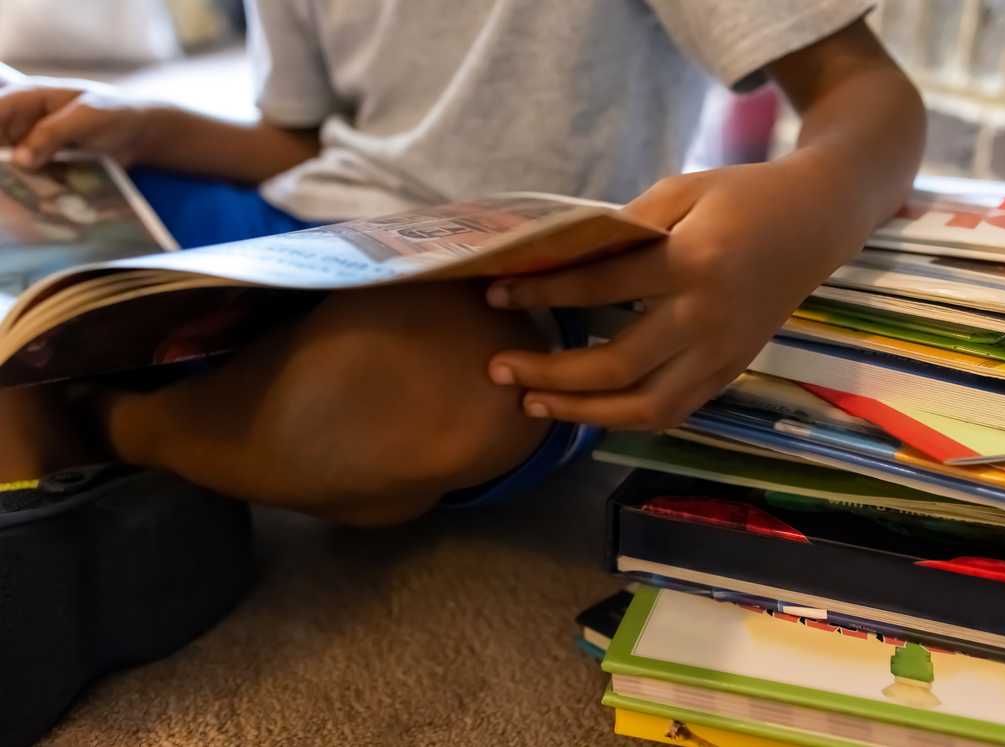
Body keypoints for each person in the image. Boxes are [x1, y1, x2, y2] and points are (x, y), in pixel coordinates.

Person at [0, 1, 925, 526]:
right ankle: (214, 422)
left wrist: (812, 206)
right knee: (35, 171)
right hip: (301, 223)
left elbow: (869, 94)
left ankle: (104, 422)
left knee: (435, 392)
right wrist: (143, 126)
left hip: (514, 283)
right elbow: (300, 144)